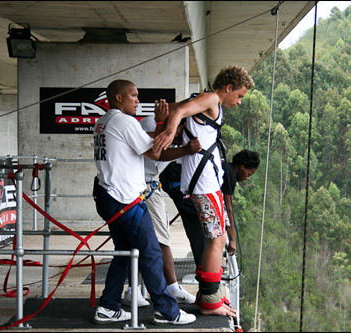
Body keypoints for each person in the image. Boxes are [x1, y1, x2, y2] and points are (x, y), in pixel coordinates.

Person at [92, 79, 198, 325]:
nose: (138, 101)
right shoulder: (124, 121)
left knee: (125, 253)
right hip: (125, 199)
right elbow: (155, 152)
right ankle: (167, 311)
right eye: (134, 96)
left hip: (108, 196)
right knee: (151, 253)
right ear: (119, 98)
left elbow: (145, 141)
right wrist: (163, 122)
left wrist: (163, 128)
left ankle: (108, 307)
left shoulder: (103, 122)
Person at [153, 65, 254, 317]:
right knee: (217, 240)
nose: (239, 102)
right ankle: (210, 300)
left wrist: (169, 118)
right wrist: (168, 129)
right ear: (228, 87)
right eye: (239, 96)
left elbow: (179, 108)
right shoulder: (211, 98)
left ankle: (208, 294)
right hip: (203, 184)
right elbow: (182, 111)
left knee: (215, 239)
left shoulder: (209, 101)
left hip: (208, 183)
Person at [122, 116, 196, 307]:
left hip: (151, 185)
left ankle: (172, 287)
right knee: (139, 238)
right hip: (133, 187)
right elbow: (153, 153)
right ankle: (133, 290)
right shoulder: (150, 125)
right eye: (181, 132)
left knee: (163, 238)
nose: (182, 137)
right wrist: (182, 146)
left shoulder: (181, 140)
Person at [221, 149, 260, 256]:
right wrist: (232, 240)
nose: (247, 178)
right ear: (242, 167)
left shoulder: (226, 167)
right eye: (249, 174)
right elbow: (229, 209)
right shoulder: (230, 176)